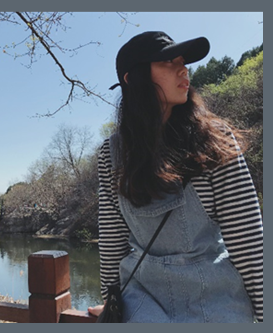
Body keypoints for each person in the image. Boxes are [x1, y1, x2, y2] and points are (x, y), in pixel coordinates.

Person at [89, 31, 262, 322]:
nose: (184, 70)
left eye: (183, 62)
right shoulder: (112, 154)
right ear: (133, 79)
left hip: (216, 300)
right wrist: (112, 302)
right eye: (169, 62)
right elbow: (112, 239)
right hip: (141, 301)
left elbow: (248, 240)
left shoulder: (214, 139)